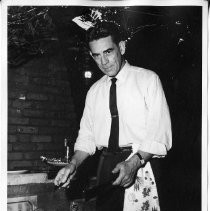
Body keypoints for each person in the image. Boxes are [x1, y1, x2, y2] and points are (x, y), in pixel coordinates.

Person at [54, 21, 172, 211]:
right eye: (97, 55)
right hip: (106, 166)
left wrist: (134, 163)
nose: (103, 62)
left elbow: (159, 133)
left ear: (122, 47)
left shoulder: (148, 80)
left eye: (108, 52)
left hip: (141, 163)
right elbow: (87, 138)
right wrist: (72, 165)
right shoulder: (94, 91)